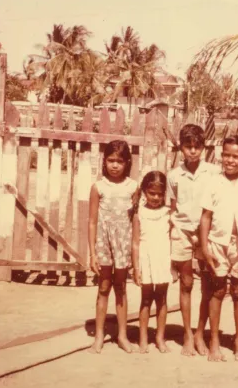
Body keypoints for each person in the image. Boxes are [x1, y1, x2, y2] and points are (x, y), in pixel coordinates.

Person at [199, 135, 238, 362]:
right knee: (217, 291)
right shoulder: (214, 183)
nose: (230, 160)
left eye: (236, 156)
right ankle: (214, 340)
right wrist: (205, 247)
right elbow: (206, 217)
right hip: (218, 243)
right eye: (226, 155)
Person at [167, 124, 221, 356]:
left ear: (203, 147)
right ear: (181, 148)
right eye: (188, 147)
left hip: (206, 233)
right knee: (186, 283)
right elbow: (172, 205)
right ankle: (187, 334)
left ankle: (200, 333)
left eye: (196, 147)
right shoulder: (174, 175)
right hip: (181, 231)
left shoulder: (213, 172)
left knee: (208, 285)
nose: (192, 151)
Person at [88, 140, 138, 354]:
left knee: (121, 288)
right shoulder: (98, 187)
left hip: (124, 243)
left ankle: (122, 336)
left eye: (119, 161)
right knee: (103, 287)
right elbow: (91, 221)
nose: (115, 165)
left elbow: (136, 220)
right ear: (104, 161)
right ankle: (99, 336)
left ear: (127, 162)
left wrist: (135, 252)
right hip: (103, 243)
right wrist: (92, 253)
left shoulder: (133, 187)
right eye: (110, 160)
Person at [132, 171, 173, 354]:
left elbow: (173, 240)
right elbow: (135, 243)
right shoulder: (138, 213)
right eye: (151, 193)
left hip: (163, 258)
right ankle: (143, 339)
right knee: (146, 299)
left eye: (159, 194)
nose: (155, 197)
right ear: (144, 192)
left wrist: (173, 267)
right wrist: (135, 268)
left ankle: (159, 338)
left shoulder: (168, 213)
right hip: (145, 259)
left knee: (162, 299)